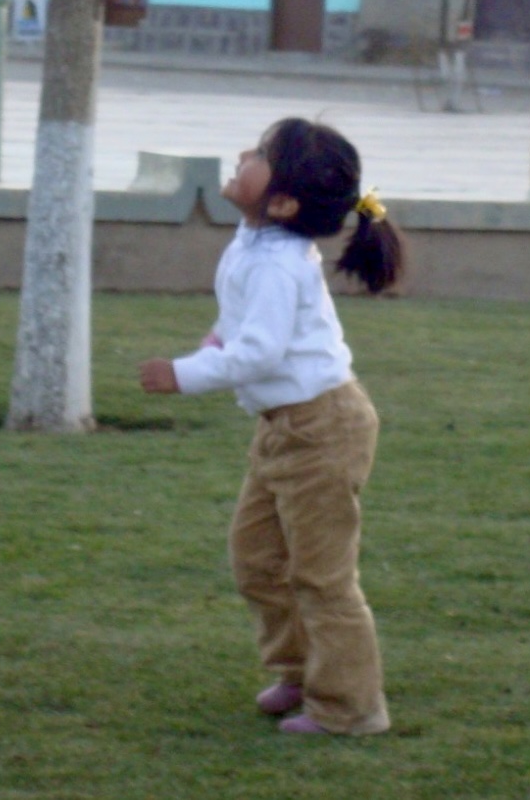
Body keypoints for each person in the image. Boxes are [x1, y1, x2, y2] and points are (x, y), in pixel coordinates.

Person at [139, 117, 405, 736]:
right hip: (286, 427)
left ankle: (350, 708)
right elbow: (241, 323)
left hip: (323, 428)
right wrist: (213, 339)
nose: (242, 154)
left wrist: (183, 373)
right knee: (257, 558)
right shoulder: (257, 239)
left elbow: (258, 352)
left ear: (282, 201)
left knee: (321, 575)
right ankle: (299, 672)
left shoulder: (280, 264)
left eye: (259, 154)